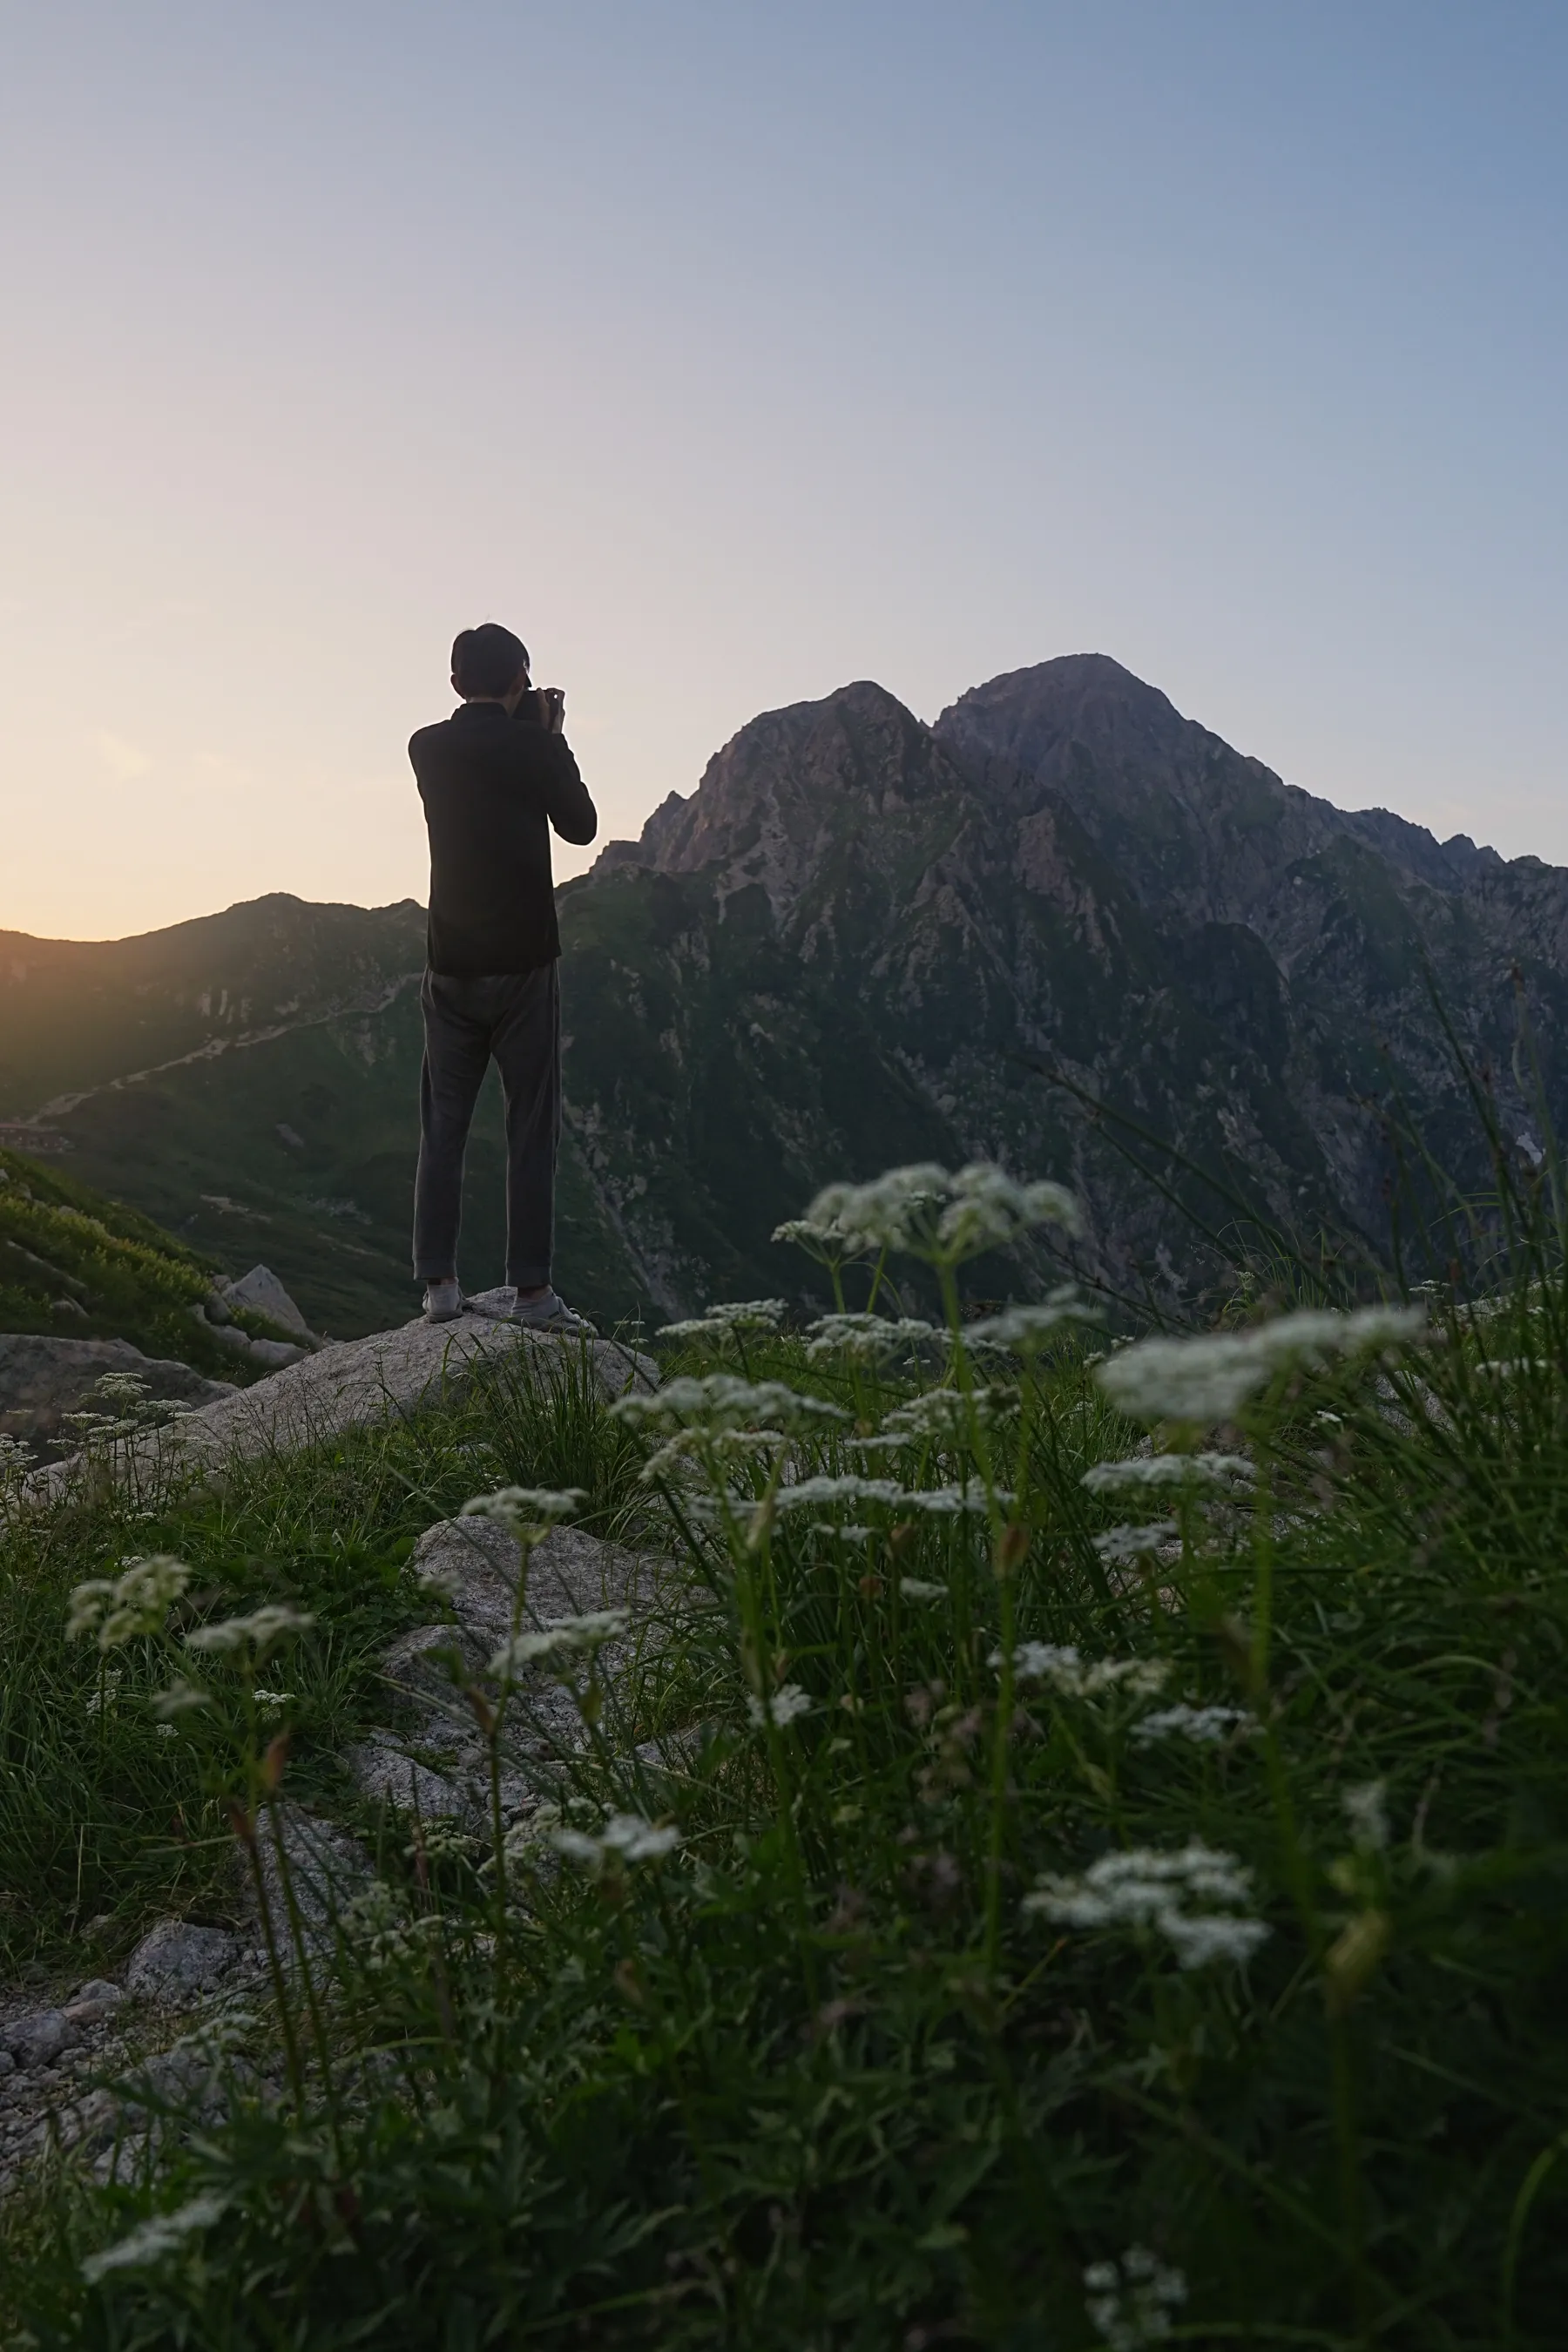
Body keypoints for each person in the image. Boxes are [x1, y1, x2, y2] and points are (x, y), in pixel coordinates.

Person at [408, 621, 598, 1328]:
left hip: (450, 962)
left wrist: (525, 724)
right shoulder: (533, 746)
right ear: (522, 679)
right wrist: (551, 734)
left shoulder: (425, 747)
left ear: (455, 683)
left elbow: (479, 750)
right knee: (530, 1126)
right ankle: (533, 1294)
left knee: (443, 1125)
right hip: (523, 964)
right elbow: (579, 825)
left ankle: (440, 1288)